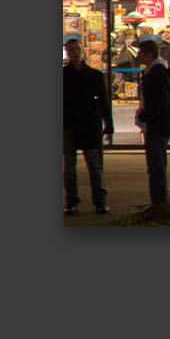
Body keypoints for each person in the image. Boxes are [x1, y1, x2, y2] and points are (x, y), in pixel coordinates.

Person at [63, 39, 112, 214]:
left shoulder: (94, 76)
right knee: (70, 166)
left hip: (87, 125)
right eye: (71, 50)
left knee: (93, 165)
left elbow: (104, 102)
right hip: (70, 125)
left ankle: (98, 200)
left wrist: (109, 124)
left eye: (77, 50)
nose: (75, 53)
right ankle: (73, 201)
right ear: (67, 53)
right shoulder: (67, 76)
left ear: (82, 51)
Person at [134, 39, 170, 212]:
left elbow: (160, 100)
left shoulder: (157, 73)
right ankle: (159, 201)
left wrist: (146, 115)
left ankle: (159, 203)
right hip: (157, 124)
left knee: (156, 165)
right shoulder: (154, 71)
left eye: (140, 53)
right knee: (156, 163)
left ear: (149, 55)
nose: (137, 56)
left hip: (157, 125)